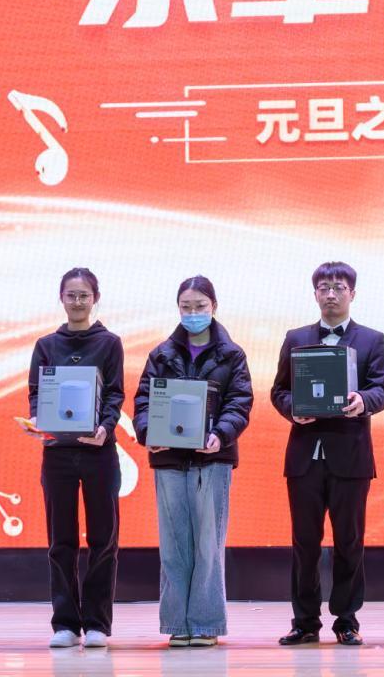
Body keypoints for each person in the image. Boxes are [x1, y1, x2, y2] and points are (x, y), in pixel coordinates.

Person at [271, 261, 384, 646]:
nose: (331, 294)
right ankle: (305, 622)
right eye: (324, 287)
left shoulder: (372, 340)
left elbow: (382, 390)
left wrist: (363, 401)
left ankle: (346, 621)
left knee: (349, 542)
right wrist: (293, 409)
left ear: (352, 293)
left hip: (350, 457)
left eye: (339, 287)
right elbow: (279, 390)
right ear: (315, 294)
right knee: (304, 543)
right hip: (304, 457)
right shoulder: (296, 338)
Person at [133, 275, 253, 647]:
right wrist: (147, 432)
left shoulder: (232, 355)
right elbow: (143, 401)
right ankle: (176, 623)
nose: (193, 313)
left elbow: (240, 402)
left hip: (212, 460)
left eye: (200, 306)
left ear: (214, 307)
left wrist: (221, 434)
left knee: (208, 544)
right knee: (173, 544)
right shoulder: (161, 354)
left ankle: (205, 623)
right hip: (169, 461)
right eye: (186, 307)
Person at [23, 268, 125, 649]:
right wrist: (38, 420)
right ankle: (65, 623)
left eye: (84, 295)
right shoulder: (46, 345)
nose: (78, 302)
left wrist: (106, 427)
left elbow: (115, 394)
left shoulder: (110, 343)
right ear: (61, 298)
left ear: (95, 298)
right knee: (60, 541)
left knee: (103, 539)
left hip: (99, 453)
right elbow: (37, 394)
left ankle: (97, 623)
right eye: (71, 295)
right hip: (58, 454)